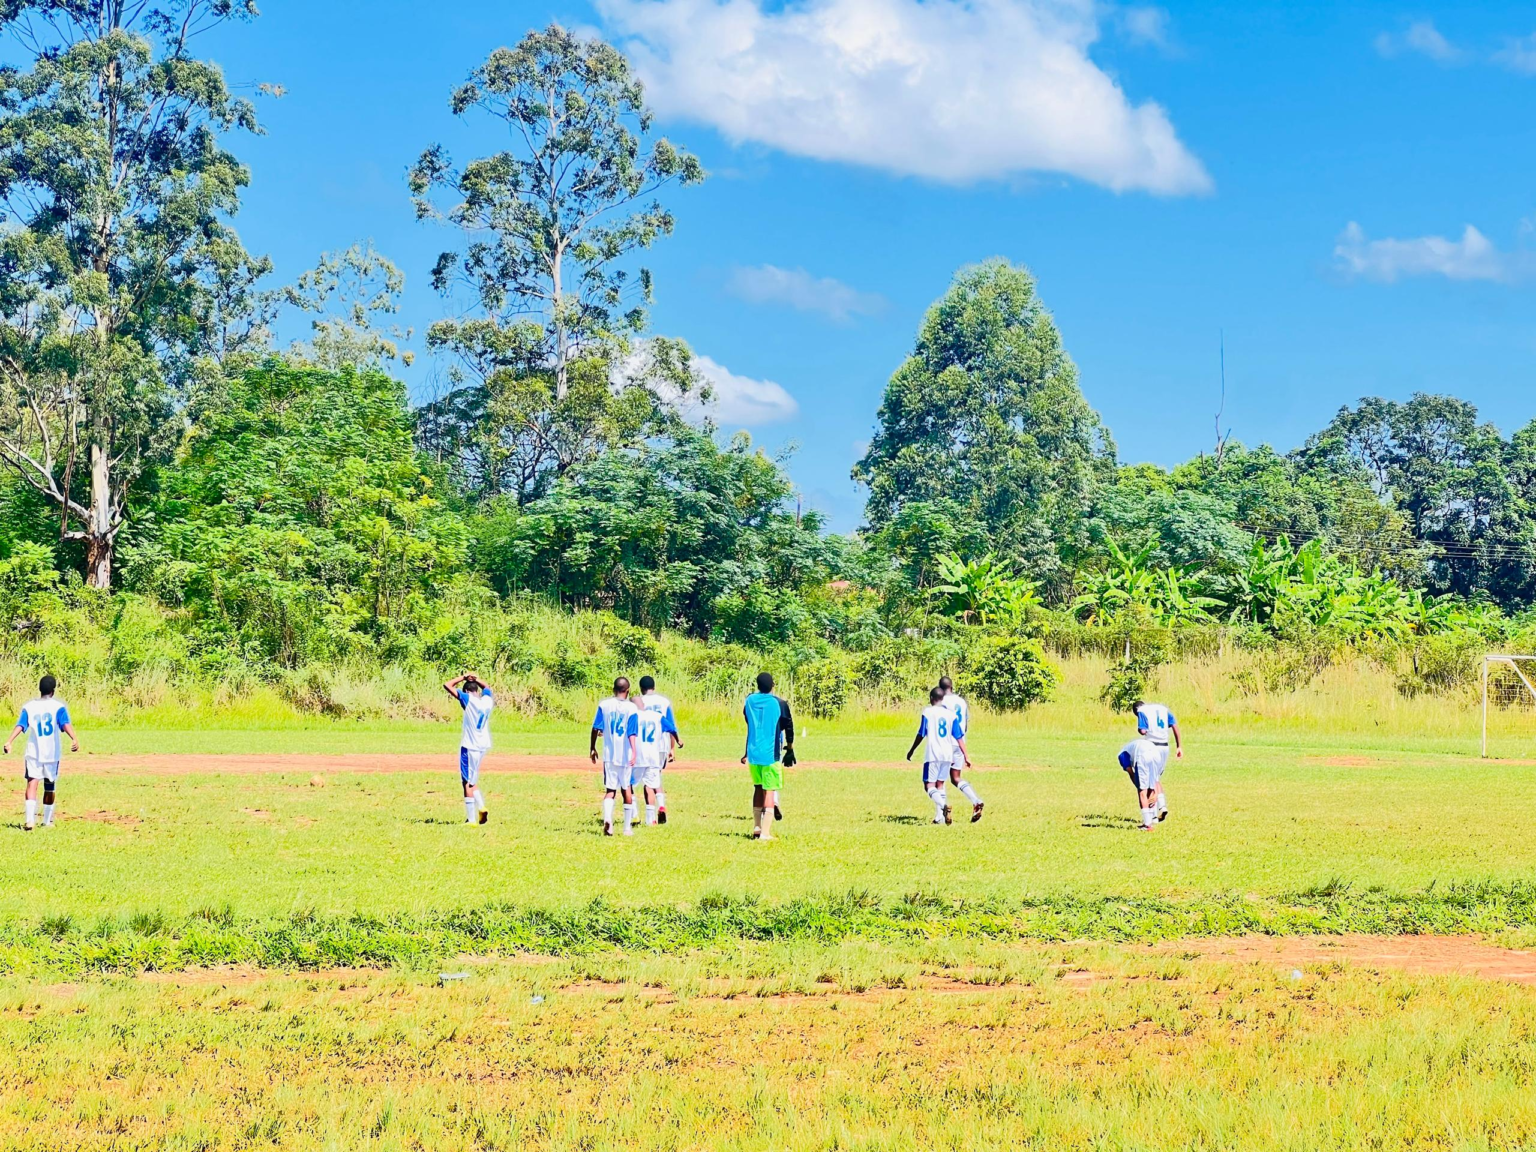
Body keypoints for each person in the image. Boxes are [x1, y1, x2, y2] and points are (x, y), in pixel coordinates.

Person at [4, 674, 78, 831]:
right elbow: (65, 724)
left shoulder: (29, 707)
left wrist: (9, 741)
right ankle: (47, 821)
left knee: (32, 784)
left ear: (40, 689)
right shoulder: (58, 707)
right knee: (50, 786)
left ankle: (29, 820)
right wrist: (74, 738)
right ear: (53, 691)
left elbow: (21, 725)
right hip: (51, 754)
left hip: (33, 753)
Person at [741, 672, 794, 841]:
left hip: (753, 752)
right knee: (769, 790)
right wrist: (790, 749)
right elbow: (788, 726)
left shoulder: (749, 701)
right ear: (772, 685)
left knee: (758, 787)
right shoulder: (779, 703)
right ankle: (765, 833)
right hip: (770, 754)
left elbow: (748, 721)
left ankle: (756, 827)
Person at [906, 686, 971, 824]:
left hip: (933, 754)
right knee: (940, 784)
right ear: (942, 699)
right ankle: (940, 818)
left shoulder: (928, 712)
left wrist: (912, 750)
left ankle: (943, 806)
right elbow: (959, 737)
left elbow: (921, 733)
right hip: (948, 755)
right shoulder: (951, 715)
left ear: (931, 698)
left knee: (929, 786)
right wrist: (966, 756)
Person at [590, 677, 641, 836]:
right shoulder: (632, 708)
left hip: (609, 756)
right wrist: (634, 751)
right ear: (628, 691)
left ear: (613, 689)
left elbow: (596, 728)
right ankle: (627, 828)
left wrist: (592, 747)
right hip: (625, 756)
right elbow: (632, 732)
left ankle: (608, 820)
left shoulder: (604, 705)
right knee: (626, 790)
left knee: (610, 790)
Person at [443, 672, 494, 824]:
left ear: (466, 691)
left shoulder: (468, 700)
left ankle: (471, 821)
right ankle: (482, 807)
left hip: (470, 746)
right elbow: (487, 687)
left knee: (466, 782)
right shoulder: (487, 701)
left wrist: (464, 677)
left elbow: (447, 685)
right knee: (472, 779)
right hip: (483, 745)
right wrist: (476, 678)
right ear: (477, 690)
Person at [938, 676, 984, 822]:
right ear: (951, 687)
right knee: (956, 778)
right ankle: (976, 801)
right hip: (960, 743)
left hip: (946, 743)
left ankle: (940, 816)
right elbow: (965, 725)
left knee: (939, 780)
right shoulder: (962, 702)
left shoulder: (941, 702)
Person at [637, 675, 682, 823]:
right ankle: (661, 804)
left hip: (645, 745)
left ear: (641, 689)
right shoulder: (664, 701)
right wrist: (672, 748)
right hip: (662, 743)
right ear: (654, 687)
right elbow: (671, 726)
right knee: (656, 774)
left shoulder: (637, 702)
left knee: (648, 779)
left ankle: (650, 816)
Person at [1131, 699, 1182, 822]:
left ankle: (1153, 816)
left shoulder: (1141, 711)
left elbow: (1143, 730)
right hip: (1165, 746)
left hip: (1152, 746)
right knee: (1155, 778)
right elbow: (1174, 725)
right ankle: (1162, 805)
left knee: (1150, 781)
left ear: (1136, 710)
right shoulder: (1162, 709)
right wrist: (1179, 746)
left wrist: (1142, 730)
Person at [631, 693, 677, 826]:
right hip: (656, 751)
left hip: (637, 755)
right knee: (652, 782)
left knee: (628, 785)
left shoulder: (632, 717)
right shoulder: (659, 710)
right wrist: (676, 743)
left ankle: (634, 814)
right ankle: (654, 814)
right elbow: (671, 727)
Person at [1118, 737, 1162, 831]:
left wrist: (1140, 787)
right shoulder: (1130, 748)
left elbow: (1131, 773)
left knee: (1142, 792)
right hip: (1156, 753)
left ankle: (1147, 825)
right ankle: (1152, 818)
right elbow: (1155, 779)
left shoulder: (1121, 756)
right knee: (1151, 787)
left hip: (1143, 755)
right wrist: (1155, 792)